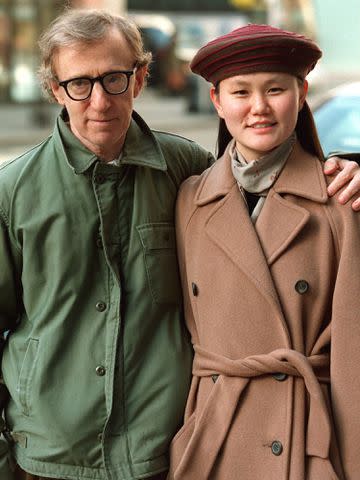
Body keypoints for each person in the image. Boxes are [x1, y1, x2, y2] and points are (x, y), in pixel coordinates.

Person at [0, 10, 358, 480]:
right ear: (54, 90)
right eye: (78, 84)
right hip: (50, 451)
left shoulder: (185, 170)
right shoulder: (13, 191)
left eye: (114, 78)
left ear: (141, 78)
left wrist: (348, 164)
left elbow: (266, 181)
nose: (99, 100)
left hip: (166, 445)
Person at [169, 24, 360, 480]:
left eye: (275, 89)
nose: (258, 108)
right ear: (217, 101)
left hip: (304, 439)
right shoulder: (189, 199)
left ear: (301, 92)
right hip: (213, 435)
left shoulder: (339, 201)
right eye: (240, 92)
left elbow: (354, 355)